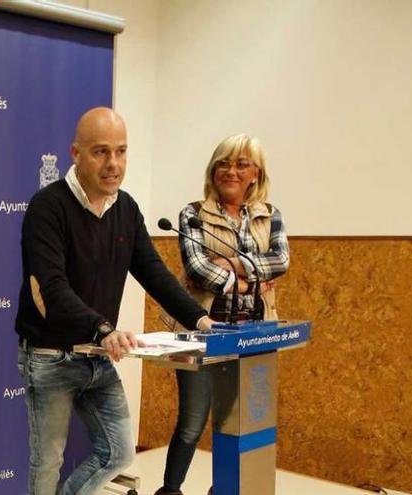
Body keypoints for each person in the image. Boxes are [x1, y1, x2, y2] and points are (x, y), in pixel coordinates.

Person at [15, 107, 214, 495]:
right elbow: (52, 288)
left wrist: (200, 319)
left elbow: (153, 271)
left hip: (97, 353)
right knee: (47, 463)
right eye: (101, 152)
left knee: (119, 453)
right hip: (51, 355)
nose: (114, 164)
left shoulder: (126, 208)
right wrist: (103, 329)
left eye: (121, 152)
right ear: (76, 153)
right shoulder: (47, 207)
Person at [155, 134, 290, 495]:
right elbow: (199, 270)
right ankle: (170, 490)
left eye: (241, 164)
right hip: (201, 331)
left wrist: (230, 262)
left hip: (255, 332)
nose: (230, 171)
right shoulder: (193, 213)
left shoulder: (269, 215)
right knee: (193, 421)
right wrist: (248, 282)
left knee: (241, 424)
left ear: (256, 173)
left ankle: (227, 489)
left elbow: (281, 261)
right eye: (223, 163)